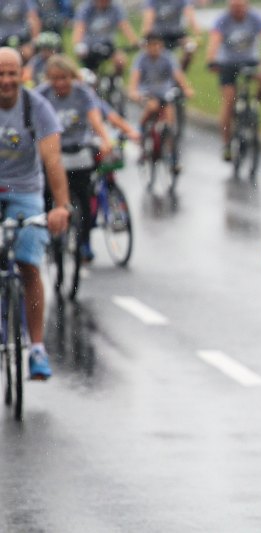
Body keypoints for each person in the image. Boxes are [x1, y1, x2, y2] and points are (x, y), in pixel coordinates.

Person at [0, 47, 70, 379]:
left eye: (12, 73)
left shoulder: (36, 108)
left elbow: (52, 160)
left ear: (23, 75)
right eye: (0, 73)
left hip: (25, 192)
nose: (6, 80)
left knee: (29, 265)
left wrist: (61, 207)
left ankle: (37, 347)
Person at [37, 54, 113, 262]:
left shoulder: (82, 93)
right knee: (46, 195)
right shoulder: (41, 95)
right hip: (53, 153)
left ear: (72, 77)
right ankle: (47, 238)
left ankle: (85, 242)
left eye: (64, 78)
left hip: (79, 151)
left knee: (84, 197)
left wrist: (105, 139)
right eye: (55, 79)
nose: (60, 83)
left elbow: (95, 119)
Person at [205, 0, 261, 161]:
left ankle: (254, 105)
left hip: (251, 61)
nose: (237, 11)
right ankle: (226, 144)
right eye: (234, 7)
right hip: (228, 63)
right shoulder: (222, 20)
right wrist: (211, 60)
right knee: (229, 101)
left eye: (240, 7)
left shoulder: (255, 17)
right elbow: (214, 40)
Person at [128, 32, 194, 173]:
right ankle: (142, 139)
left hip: (164, 92)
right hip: (147, 93)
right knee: (152, 108)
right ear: (146, 46)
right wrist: (133, 91)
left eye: (158, 45)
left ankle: (173, 159)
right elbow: (135, 78)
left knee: (169, 122)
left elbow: (177, 74)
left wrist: (186, 89)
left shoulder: (168, 57)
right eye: (151, 45)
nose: (155, 48)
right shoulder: (141, 59)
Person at [71, 0, 138, 75]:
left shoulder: (116, 7)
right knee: (90, 72)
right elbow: (79, 27)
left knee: (120, 61)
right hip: (89, 46)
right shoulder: (85, 8)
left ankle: (115, 79)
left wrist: (134, 42)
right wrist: (77, 45)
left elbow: (124, 25)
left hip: (108, 44)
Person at [140, 0, 201, 72]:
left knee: (190, 47)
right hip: (159, 35)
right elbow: (148, 19)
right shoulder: (152, 1)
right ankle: (165, 72)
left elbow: (189, 14)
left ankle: (179, 72)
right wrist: (146, 37)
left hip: (177, 33)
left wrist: (197, 33)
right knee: (156, 54)